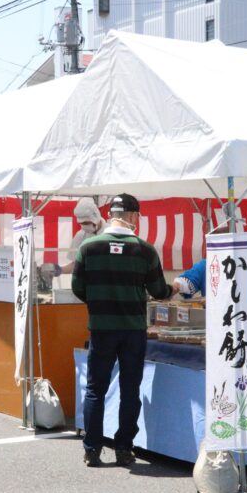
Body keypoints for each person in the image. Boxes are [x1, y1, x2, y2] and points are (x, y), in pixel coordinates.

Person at [73, 193, 173, 467]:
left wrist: (98, 303)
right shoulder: (145, 250)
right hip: (132, 330)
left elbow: (77, 288)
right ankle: (124, 448)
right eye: (138, 216)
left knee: (95, 389)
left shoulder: (88, 248)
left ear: (111, 214)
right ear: (131, 216)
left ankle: (92, 450)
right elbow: (159, 291)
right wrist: (175, 289)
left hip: (101, 328)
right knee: (130, 389)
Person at [40, 197, 105, 280]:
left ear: (96, 217)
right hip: (88, 285)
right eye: (82, 223)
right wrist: (59, 269)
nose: (84, 226)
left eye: (86, 223)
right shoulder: (80, 236)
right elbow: (76, 264)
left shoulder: (111, 232)